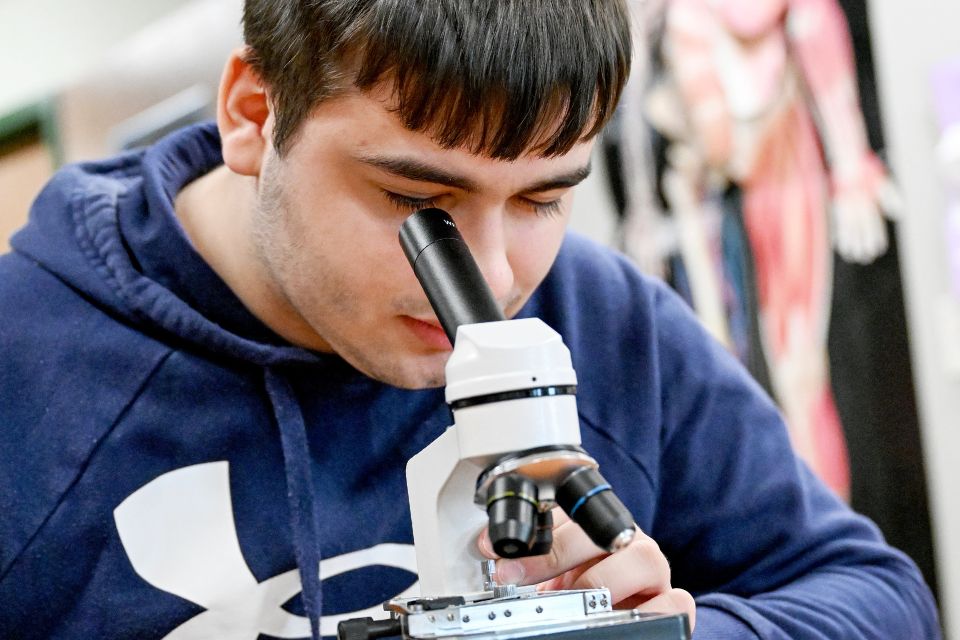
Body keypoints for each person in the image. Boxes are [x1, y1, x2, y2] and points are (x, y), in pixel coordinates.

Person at [0, 1, 939, 638]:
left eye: (541, 200)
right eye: (416, 195)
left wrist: (675, 630)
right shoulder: (25, 372)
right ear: (254, 112)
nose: (492, 278)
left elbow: (883, 599)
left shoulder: (604, 316)